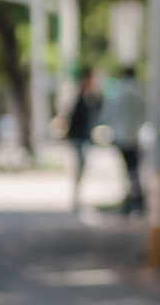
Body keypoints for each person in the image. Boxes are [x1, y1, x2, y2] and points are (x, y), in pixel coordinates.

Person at [99, 67, 147, 214]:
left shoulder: (118, 92)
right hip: (136, 135)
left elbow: (108, 113)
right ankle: (135, 199)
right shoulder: (140, 91)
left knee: (129, 169)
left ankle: (132, 199)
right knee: (134, 169)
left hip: (121, 136)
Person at [67, 66, 97, 211]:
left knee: (82, 168)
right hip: (79, 138)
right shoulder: (81, 98)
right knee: (80, 168)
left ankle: (79, 199)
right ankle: (77, 200)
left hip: (82, 138)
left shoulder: (87, 97)